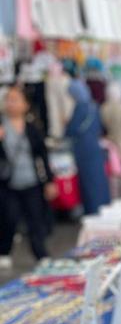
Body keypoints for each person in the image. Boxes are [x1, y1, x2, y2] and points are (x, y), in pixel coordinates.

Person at [0, 85, 56, 267]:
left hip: (31, 181)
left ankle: (41, 254)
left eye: (15, 99)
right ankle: (4, 251)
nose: (11, 103)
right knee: (9, 218)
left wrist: (49, 181)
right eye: (9, 99)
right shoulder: (1, 125)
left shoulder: (32, 127)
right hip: (8, 183)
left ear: (25, 104)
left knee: (35, 219)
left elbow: (42, 155)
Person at [65, 64, 111, 215]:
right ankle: (103, 208)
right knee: (99, 181)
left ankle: (93, 212)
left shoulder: (80, 107)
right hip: (95, 148)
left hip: (84, 150)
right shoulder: (94, 106)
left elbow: (71, 130)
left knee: (89, 184)